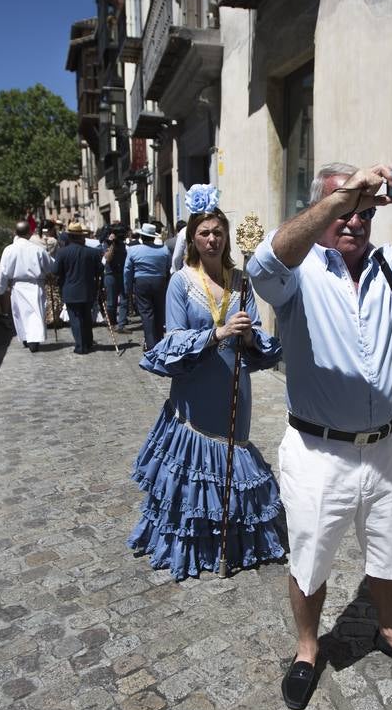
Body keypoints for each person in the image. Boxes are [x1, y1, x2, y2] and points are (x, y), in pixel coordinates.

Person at [248, 162, 392, 710]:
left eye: (364, 212)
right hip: (318, 450)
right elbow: (262, 266)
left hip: (385, 446)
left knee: (389, 548)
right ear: (320, 210)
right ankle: (307, 650)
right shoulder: (299, 270)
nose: (354, 221)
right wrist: (344, 195)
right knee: (310, 557)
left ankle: (390, 631)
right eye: (343, 211)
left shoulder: (387, 264)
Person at [130, 204, 286, 579]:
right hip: (196, 385)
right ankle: (195, 542)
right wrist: (216, 333)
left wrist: (248, 334)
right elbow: (175, 339)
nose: (212, 239)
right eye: (204, 233)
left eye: (218, 232)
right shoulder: (181, 282)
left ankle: (236, 542)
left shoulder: (242, 280)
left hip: (234, 381)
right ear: (193, 240)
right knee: (197, 463)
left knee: (236, 450)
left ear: (226, 237)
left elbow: (257, 333)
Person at [0, 220, 56, 352]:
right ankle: (33, 340)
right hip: (35, 285)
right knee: (35, 313)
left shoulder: (9, 250)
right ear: (30, 232)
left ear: (15, 233)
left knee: (20, 314)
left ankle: (25, 338)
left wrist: (0, 289)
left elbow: (3, 272)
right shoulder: (37, 250)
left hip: (17, 286)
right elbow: (50, 266)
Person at [54, 223, 104, 354]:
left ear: (69, 236)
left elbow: (55, 271)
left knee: (75, 318)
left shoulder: (62, 252)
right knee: (86, 316)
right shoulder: (93, 252)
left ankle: (81, 346)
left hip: (70, 290)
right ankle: (88, 342)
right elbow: (100, 270)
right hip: (88, 289)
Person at [125, 222, 172, 350]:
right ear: (153, 237)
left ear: (142, 236)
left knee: (146, 313)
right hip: (160, 282)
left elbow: (127, 270)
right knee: (159, 312)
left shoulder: (133, 250)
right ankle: (159, 340)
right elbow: (169, 267)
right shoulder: (164, 250)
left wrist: (128, 287)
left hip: (141, 282)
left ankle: (151, 344)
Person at [102, 226, 130, 333]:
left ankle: (121, 324)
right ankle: (112, 323)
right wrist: (112, 244)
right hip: (110, 275)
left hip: (122, 275)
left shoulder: (124, 245)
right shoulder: (106, 244)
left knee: (124, 300)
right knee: (111, 302)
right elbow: (107, 258)